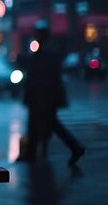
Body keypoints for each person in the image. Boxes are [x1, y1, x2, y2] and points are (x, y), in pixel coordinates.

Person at [22, 20, 85, 166]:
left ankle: (75, 148)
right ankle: (33, 153)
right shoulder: (46, 50)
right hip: (43, 96)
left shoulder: (46, 52)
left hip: (43, 96)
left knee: (46, 124)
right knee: (46, 124)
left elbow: (41, 75)